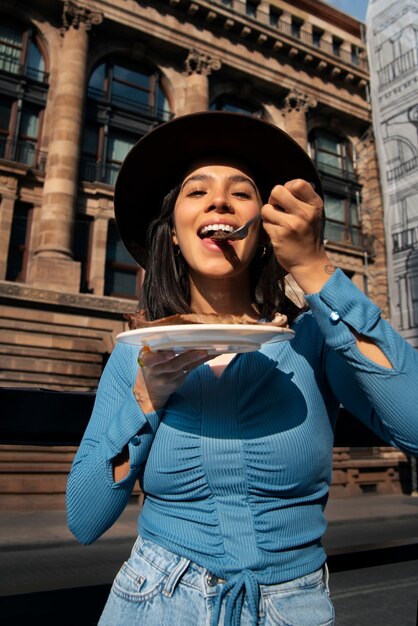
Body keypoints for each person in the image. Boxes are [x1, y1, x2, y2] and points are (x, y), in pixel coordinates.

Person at [66, 111, 418, 626]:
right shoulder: (137, 351)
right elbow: (84, 518)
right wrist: (147, 397)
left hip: (293, 607)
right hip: (154, 600)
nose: (219, 200)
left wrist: (315, 268)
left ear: (265, 228)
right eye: (196, 191)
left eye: (241, 191)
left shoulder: (314, 340)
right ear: (171, 235)